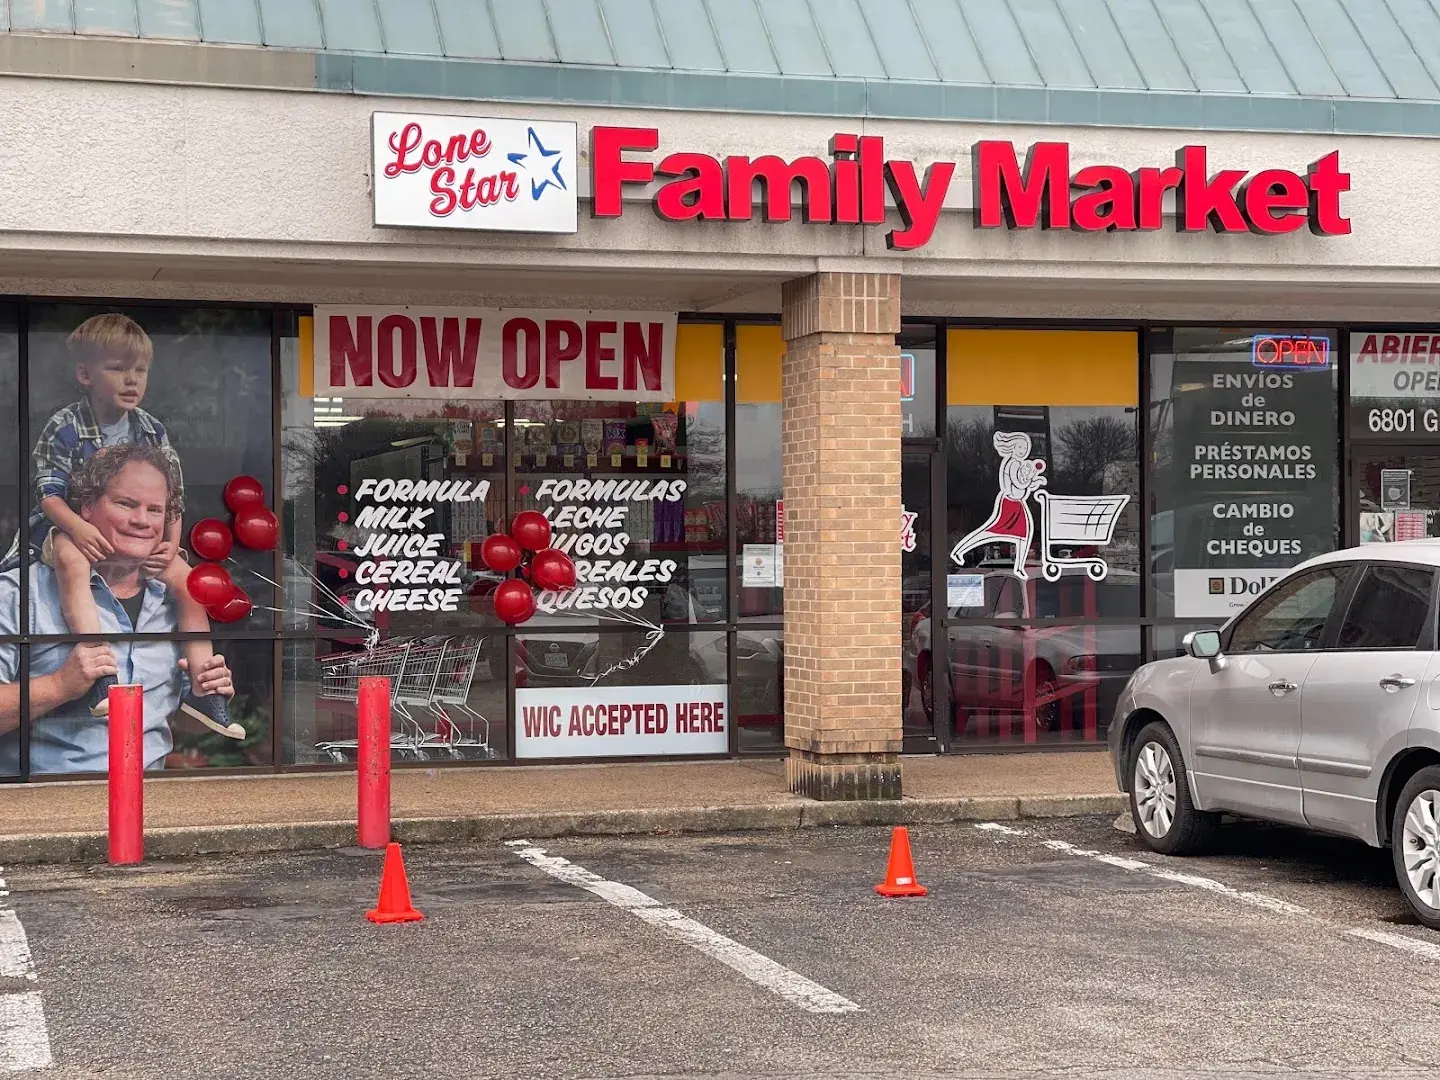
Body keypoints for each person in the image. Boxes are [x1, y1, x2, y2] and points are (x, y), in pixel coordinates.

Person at [7, 313, 238, 737]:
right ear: (85, 375)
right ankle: (97, 669)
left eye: (140, 370)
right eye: (117, 368)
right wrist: (77, 529)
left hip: (119, 538)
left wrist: (170, 543)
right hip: (63, 528)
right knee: (72, 561)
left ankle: (205, 686)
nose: (131, 380)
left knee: (188, 581)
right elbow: (49, 494)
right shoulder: (66, 425)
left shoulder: (151, 429)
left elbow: (171, 499)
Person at [0, 444, 238, 774]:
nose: (141, 520)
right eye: (126, 504)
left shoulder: (173, 603)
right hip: (48, 811)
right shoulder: (18, 595)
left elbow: (169, 722)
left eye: (155, 510)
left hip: (147, 809)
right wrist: (58, 686)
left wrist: (207, 688)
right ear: (87, 506)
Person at [949, 430, 1048, 579]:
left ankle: (1020, 567)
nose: (1023, 451)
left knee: (1024, 534)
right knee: (991, 532)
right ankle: (960, 550)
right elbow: (1019, 483)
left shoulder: (1016, 463)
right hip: (1010, 504)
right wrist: (1034, 479)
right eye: (1020, 448)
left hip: (1017, 503)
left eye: (1025, 448)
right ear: (1013, 448)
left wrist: (1033, 481)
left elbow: (1021, 486)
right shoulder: (1013, 463)